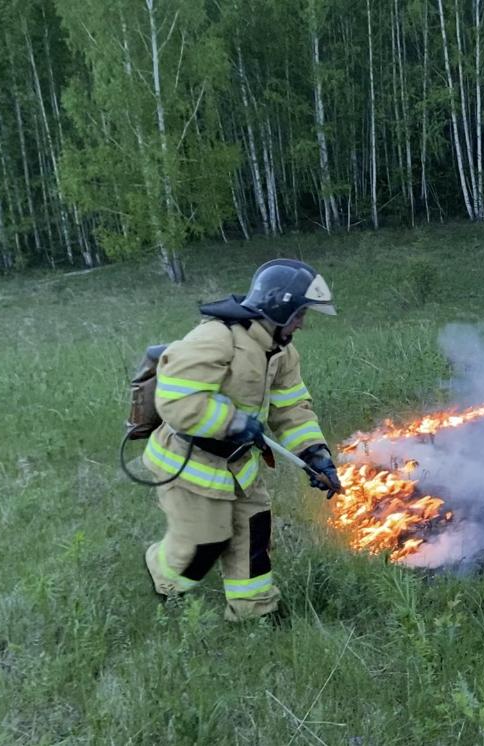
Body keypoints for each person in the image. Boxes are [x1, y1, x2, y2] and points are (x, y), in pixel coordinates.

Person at [142, 259, 343, 621]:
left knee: (253, 536)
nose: (302, 323)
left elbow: (292, 407)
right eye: (299, 314)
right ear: (279, 308)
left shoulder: (281, 351)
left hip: (239, 467)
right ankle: (164, 581)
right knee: (203, 545)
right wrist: (233, 422)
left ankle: (255, 612)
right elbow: (175, 400)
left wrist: (315, 454)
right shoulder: (216, 338)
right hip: (190, 465)